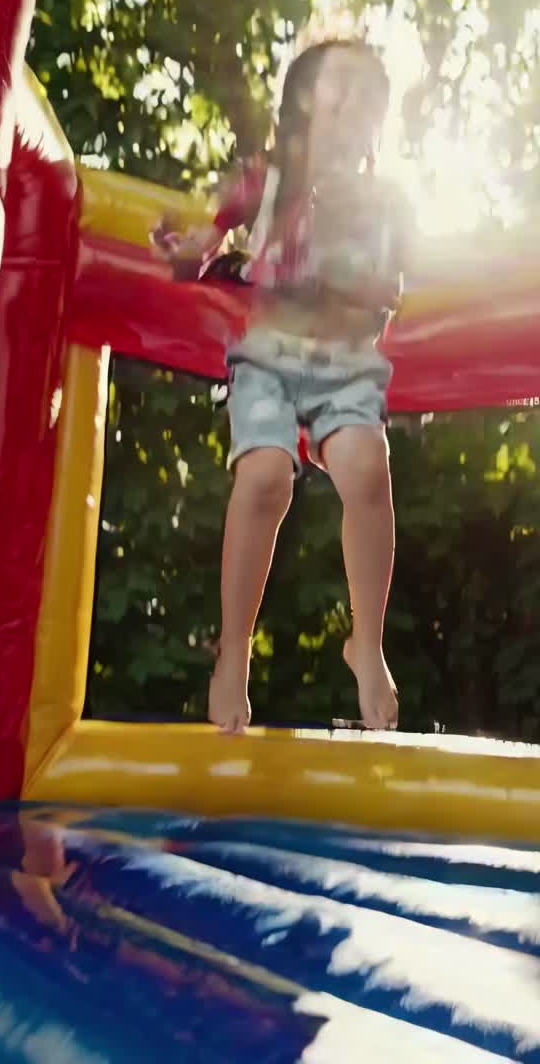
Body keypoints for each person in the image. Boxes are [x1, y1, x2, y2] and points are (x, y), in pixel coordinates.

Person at [153, 39, 411, 734]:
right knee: (265, 476)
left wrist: (359, 272)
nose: (357, 104)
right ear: (302, 102)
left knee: (367, 468)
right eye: (343, 87)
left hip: (346, 366)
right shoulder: (261, 180)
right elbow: (203, 244)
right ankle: (233, 650)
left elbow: (390, 289)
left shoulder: (383, 201)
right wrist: (185, 253)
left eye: (370, 98)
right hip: (267, 357)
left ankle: (367, 642)